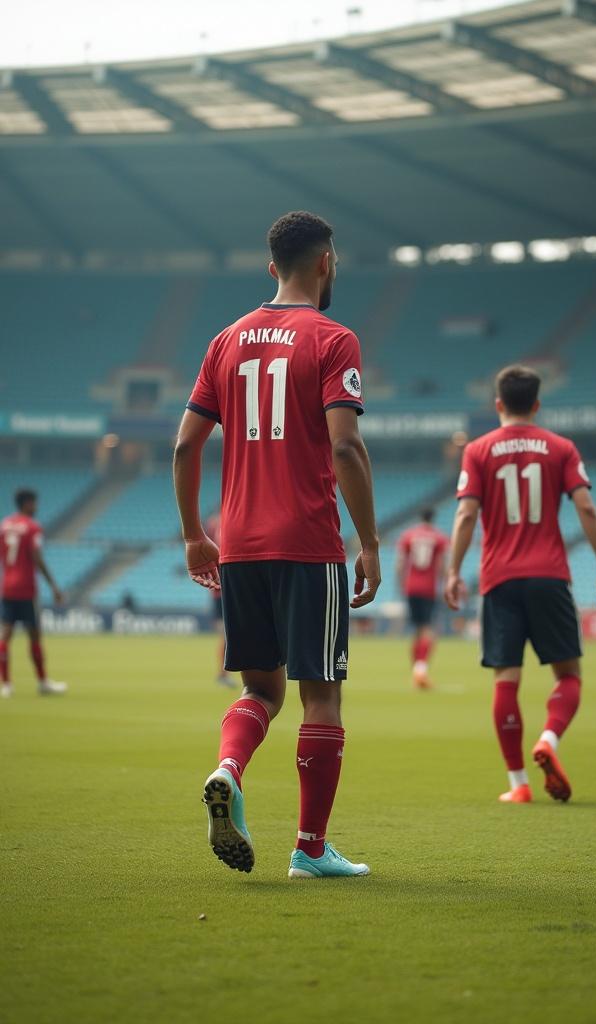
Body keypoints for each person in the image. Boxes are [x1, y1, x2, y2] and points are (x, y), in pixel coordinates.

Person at [174, 210, 380, 878]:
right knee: (321, 695)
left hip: (238, 545)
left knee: (259, 689)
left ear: (272, 269)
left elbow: (184, 445)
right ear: (326, 263)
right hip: (307, 541)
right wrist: (371, 542)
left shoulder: (225, 340)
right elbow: (345, 444)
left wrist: (194, 536)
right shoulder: (333, 338)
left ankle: (228, 770)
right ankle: (310, 850)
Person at [445, 365, 596, 804]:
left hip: (499, 577)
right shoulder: (561, 448)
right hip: (550, 575)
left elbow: (465, 515)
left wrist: (452, 571)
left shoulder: (479, 450)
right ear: (537, 405)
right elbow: (587, 508)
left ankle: (518, 784)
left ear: (498, 404)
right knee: (569, 675)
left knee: (506, 680)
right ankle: (549, 741)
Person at [0, 488, 67, 697]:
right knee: (34, 636)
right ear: (27, 503)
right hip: (27, 589)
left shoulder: (5, 525)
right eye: (34, 503)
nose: (36, 507)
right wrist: (54, 586)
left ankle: (7, 685)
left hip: (7, 587)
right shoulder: (32, 527)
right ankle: (42, 682)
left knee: (5, 636)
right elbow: (36, 557)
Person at [396, 508, 449, 690]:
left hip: (411, 586)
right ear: (433, 518)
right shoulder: (439, 537)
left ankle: (416, 671)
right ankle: (421, 671)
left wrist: (401, 585)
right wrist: (444, 584)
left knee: (417, 630)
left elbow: (401, 563)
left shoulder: (408, 535)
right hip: (429, 588)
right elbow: (442, 564)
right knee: (428, 630)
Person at [205, 509, 236, 689]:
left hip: (220, 591)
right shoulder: (226, 523)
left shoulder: (216, 523)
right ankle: (222, 674)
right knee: (227, 636)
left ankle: (223, 674)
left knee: (227, 636)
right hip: (224, 591)